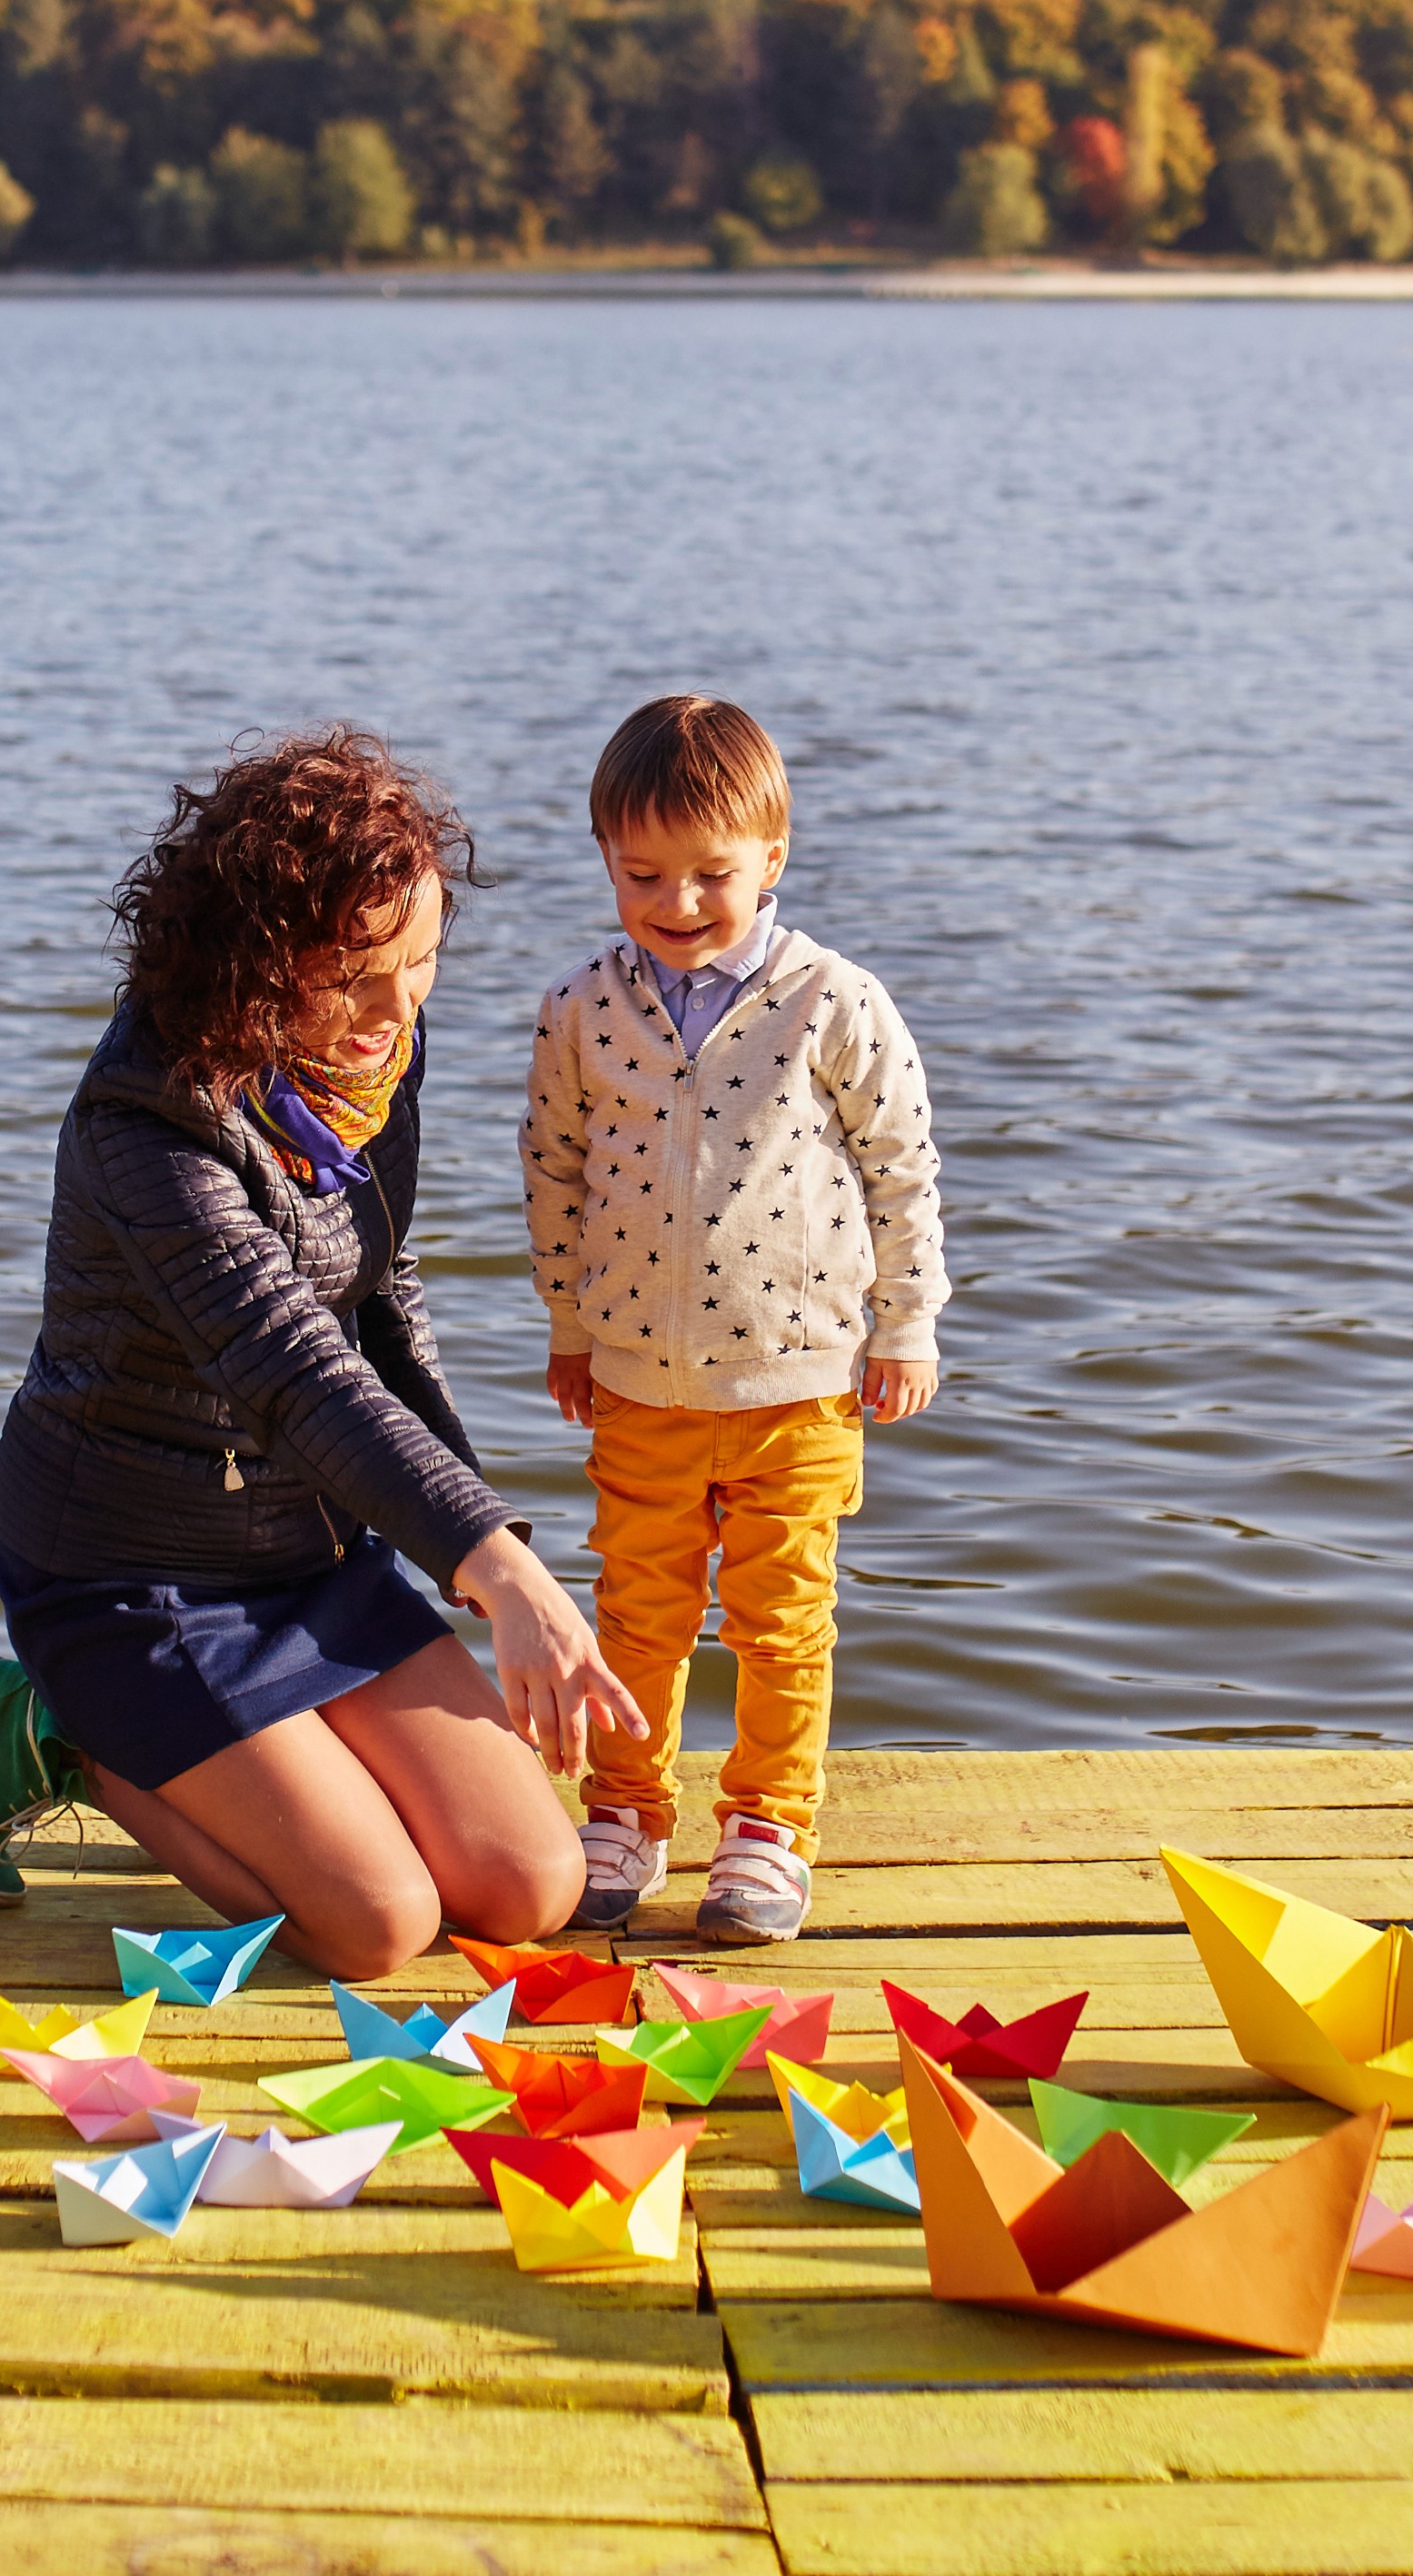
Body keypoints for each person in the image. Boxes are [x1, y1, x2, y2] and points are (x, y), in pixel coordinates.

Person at [0, 726, 644, 1983]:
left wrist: (479, 1555)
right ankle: (61, 1731)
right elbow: (293, 1366)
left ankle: (263, 1757)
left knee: (529, 1884)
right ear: (257, 963)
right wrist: (504, 1572)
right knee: (373, 1925)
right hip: (128, 1574)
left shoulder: (370, 1059)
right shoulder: (146, 1126)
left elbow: (379, 1295)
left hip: (307, 1550)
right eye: (352, 977)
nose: (394, 1012)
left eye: (420, 963)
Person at [522, 694, 948, 1946]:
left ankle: (767, 1824)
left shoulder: (833, 999)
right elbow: (553, 1166)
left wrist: (907, 1324)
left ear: (773, 856)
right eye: (643, 872)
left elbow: (901, 1166)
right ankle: (627, 1807)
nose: (681, 901)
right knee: (636, 1612)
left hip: (801, 1378)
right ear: (606, 857)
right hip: (641, 1377)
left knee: (783, 1617)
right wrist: (569, 1321)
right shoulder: (582, 1008)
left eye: (714, 873)